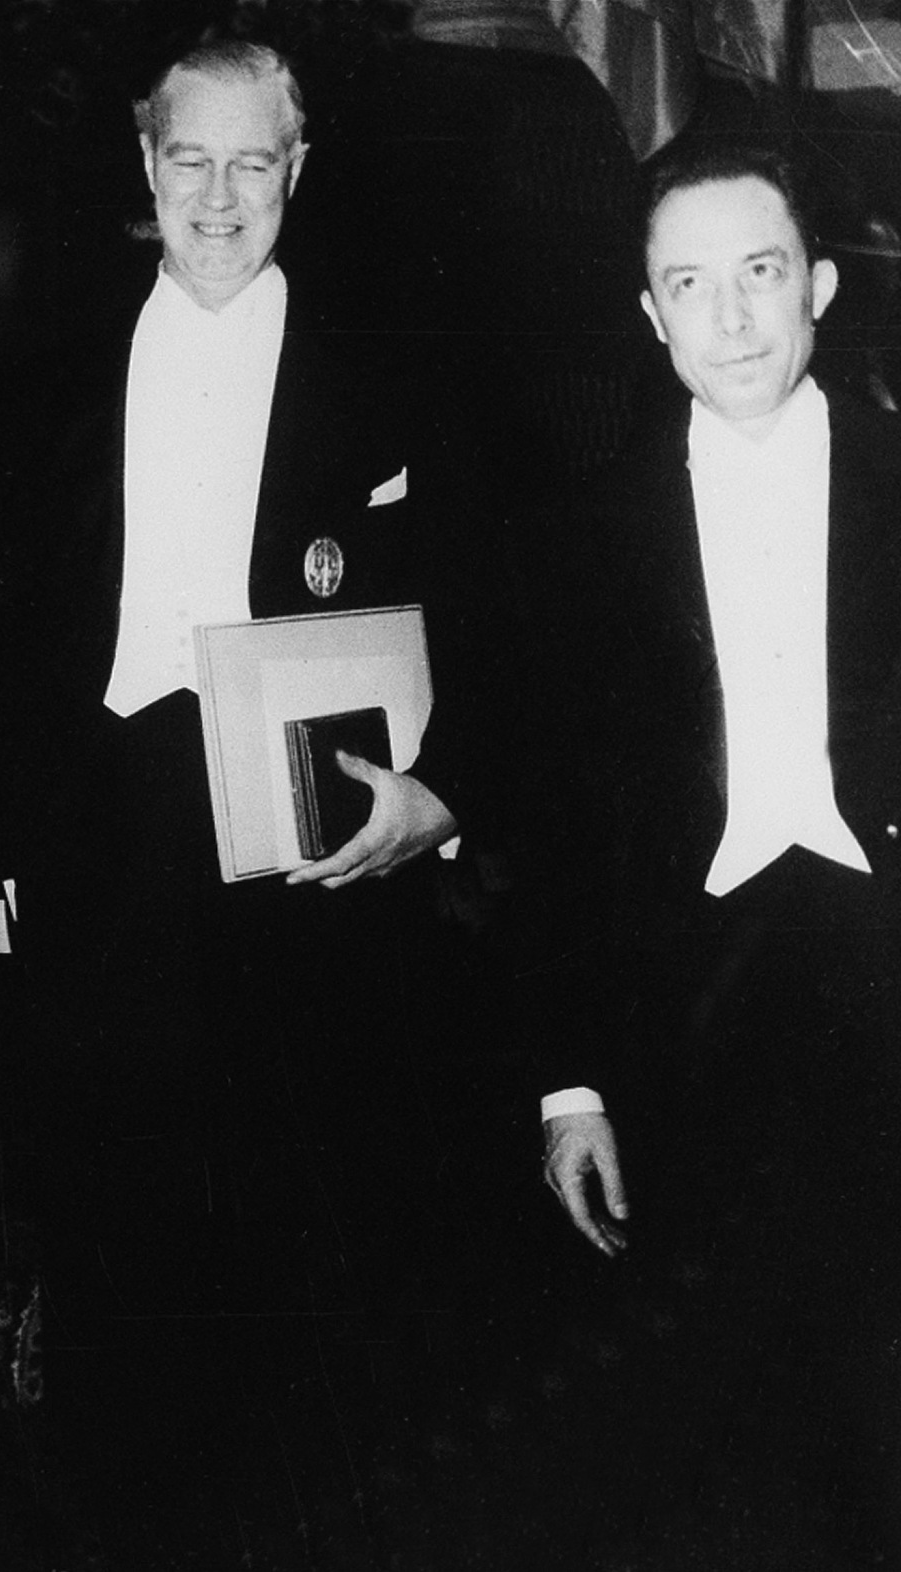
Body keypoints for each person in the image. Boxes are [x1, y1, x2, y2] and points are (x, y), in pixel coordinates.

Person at [0, 35, 478, 1560]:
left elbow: (488, 615)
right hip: (97, 841)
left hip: (302, 854)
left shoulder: (388, 362)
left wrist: (443, 793)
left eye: (250, 161)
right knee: (108, 1233)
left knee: (293, 1247)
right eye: (187, 158)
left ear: (297, 174)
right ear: (144, 165)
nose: (216, 194)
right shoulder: (46, 349)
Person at [526, 140, 901, 1561]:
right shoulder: (585, 530)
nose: (730, 318)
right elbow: (558, 830)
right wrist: (570, 1082)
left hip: (890, 973)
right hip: (688, 1013)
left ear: (816, 283)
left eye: (757, 274)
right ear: (650, 316)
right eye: (690, 285)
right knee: (710, 1429)